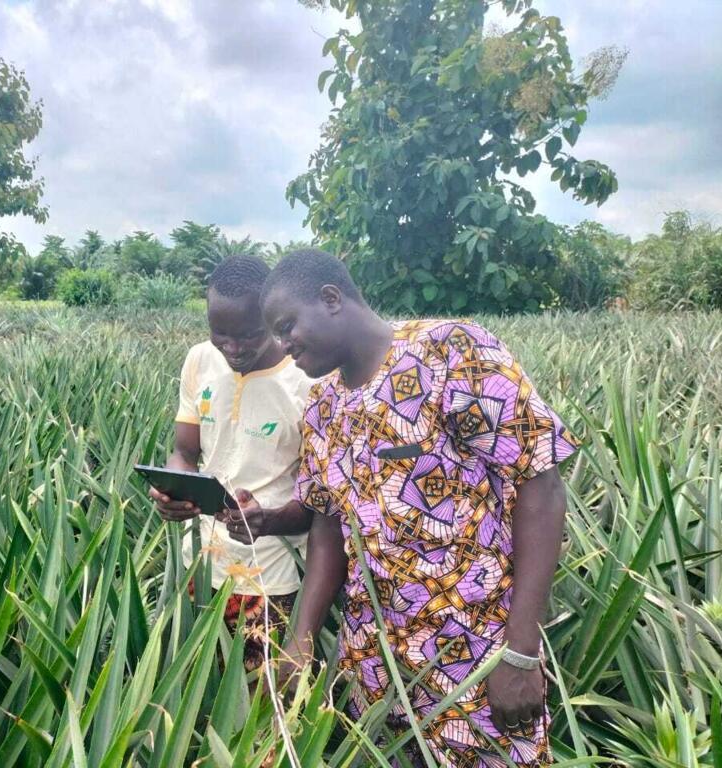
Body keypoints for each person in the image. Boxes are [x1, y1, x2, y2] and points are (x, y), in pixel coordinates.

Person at [256, 249, 578, 766]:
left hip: (477, 653)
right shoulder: (323, 407)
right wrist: (303, 637)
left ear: (332, 298)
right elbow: (327, 525)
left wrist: (520, 652)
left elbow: (540, 484)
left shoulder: (453, 352)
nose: (282, 344)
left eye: (287, 324)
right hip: (375, 667)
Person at [150, 255, 314, 672]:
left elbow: (325, 498)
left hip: (271, 573)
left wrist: (271, 520)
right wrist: (175, 491)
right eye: (220, 334)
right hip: (199, 564)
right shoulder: (200, 360)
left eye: (248, 335)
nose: (233, 348)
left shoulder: (306, 380)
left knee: (260, 702)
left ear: (272, 320)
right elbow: (185, 452)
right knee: (193, 689)